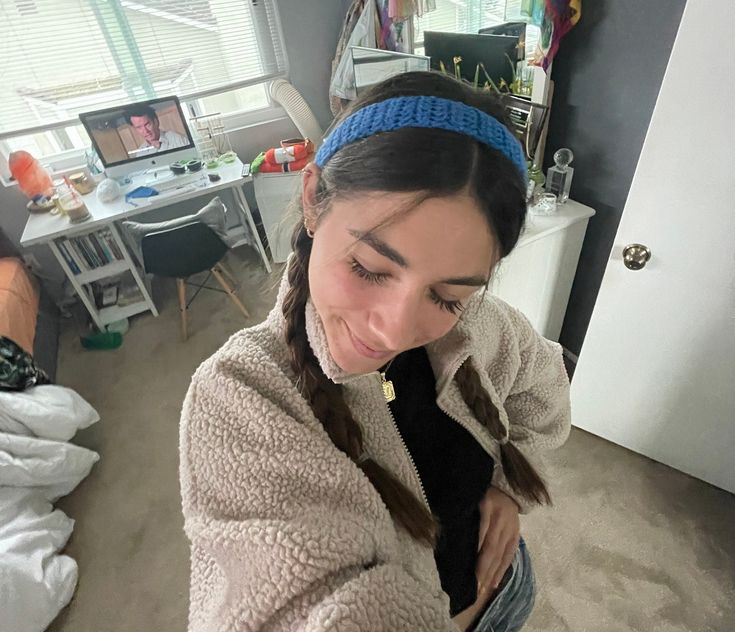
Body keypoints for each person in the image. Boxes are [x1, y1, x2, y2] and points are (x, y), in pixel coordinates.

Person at [179, 71, 571, 631]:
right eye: (369, 268)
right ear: (314, 201)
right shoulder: (240, 395)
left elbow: (545, 391)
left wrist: (509, 491)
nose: (393, 332)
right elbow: (288, 599)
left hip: (507, 597)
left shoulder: (489, 328)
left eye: (447, 295)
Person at [123, 103, 189, 154]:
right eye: (139, 127)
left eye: (147, 124)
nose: (145, 131)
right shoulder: (141, 152)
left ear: (156, 121)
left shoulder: (178, 139)